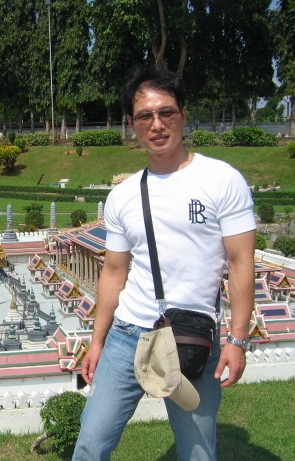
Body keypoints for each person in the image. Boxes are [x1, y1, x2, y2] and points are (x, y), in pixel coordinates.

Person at [72, 66, 256, 461]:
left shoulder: (222, 180)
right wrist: (97, 341)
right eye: (144, 116)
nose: (157, 125)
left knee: (198, 453)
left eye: (166, 112)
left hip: (192, 337)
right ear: (131, 125)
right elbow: (114, 272)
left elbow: (241, 263)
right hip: (128, 334)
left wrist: (238, 340)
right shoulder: (123, 195)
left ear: (184, 115)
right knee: (90, 444)